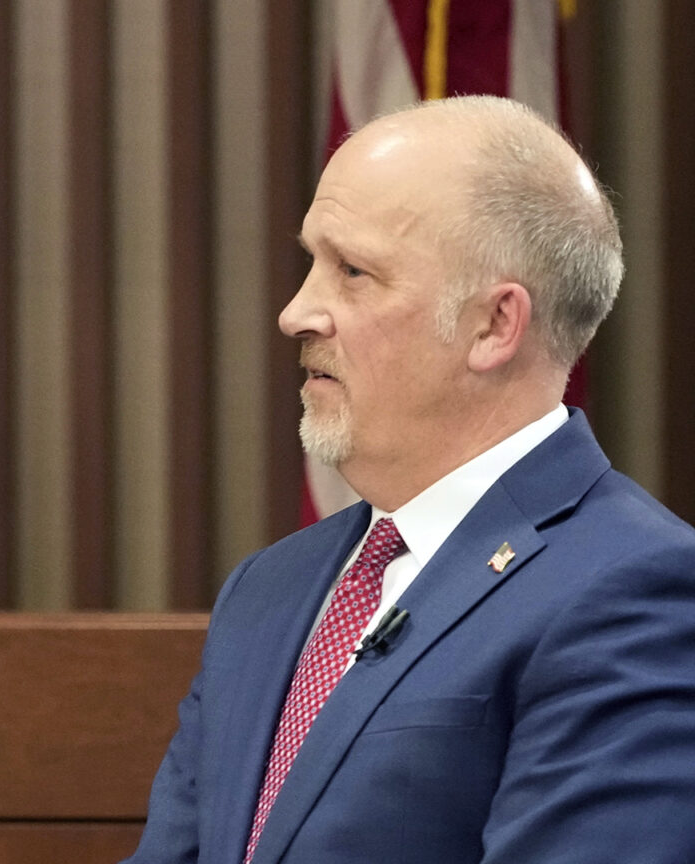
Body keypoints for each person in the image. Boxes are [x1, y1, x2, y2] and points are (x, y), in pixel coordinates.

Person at [124, 95, 695, 864]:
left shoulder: (638, 590)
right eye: (311, 265)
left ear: (495, 325)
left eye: (353, 271)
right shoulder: (270, 588)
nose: (296, 313)